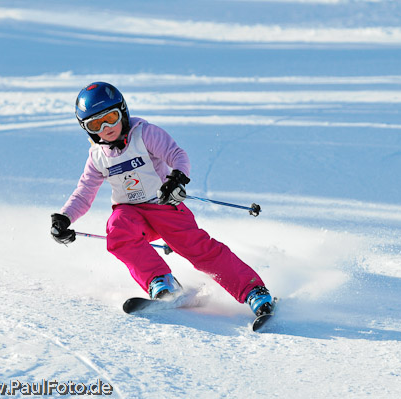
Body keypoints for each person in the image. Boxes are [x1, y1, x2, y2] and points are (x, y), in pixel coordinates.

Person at [50, 82, 274, 317]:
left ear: (123, 111)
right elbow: (84, 191)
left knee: (198, 250)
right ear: (86, 129)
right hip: (131, 213)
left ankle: (254, 291)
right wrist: (65, 217)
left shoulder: (144, 134)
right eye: (96, 124)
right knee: (118, 230)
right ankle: (161, 282)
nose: (106, 127)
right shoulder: (97, 156)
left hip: (164, 206)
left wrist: (176, 178)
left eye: (111, 117)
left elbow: (177, 155)